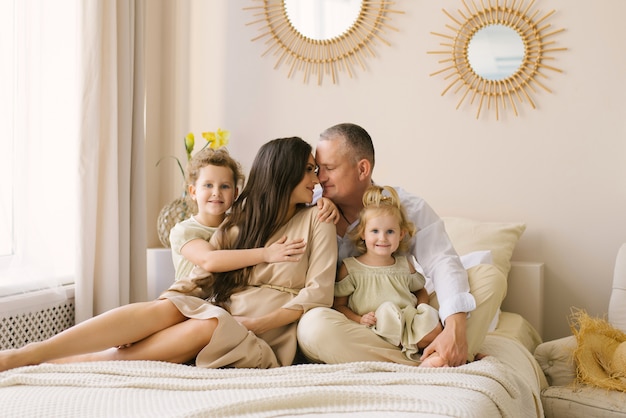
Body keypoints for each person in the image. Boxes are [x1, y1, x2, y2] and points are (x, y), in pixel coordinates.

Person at [0, 136, 338, 372]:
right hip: (222, 313)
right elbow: (203, 275)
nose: (317, 177)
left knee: (210, 324)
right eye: (309, 169)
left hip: (263, 334)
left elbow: (319, 293)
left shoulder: (318, 219)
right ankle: (31, 352)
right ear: (283, 172)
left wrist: (256, 322)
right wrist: (171, 301)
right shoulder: (239, 225)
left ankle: (91, 360)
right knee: (172, 308)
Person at [297, 123, 506, 367]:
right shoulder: (309, 206)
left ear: (362, 168)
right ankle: (429, 362)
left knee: (489, 277)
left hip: (411, 321)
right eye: (317, 169)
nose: (319, 178)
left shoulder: (406, 206)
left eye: (329, 169)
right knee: (312, 327)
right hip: (356, 324)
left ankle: (448, 346)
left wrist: (456, 326)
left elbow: (441, 261)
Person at [171, 146, 337, 281]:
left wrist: (323, 202)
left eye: (225, 186)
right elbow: (209, 260)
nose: (216, 193)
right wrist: (266, 254)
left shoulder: (240, 225)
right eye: (208, 185)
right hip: (191, 299)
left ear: (236, 193)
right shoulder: (184, 231)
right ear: (192, 191)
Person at [333, 185, 446, 367]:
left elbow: (420, 291)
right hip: (373, 327)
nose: (383, 238)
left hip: (407, 323)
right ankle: (413, 356)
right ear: (363, 233)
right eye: (375, 231)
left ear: (401, 234)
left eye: (390, 232)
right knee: (384, 313)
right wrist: (359, 319)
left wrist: (422, 307)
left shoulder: (404, 265)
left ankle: (435, 352)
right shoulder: (350, 268)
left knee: (433, 324)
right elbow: (339, 306)